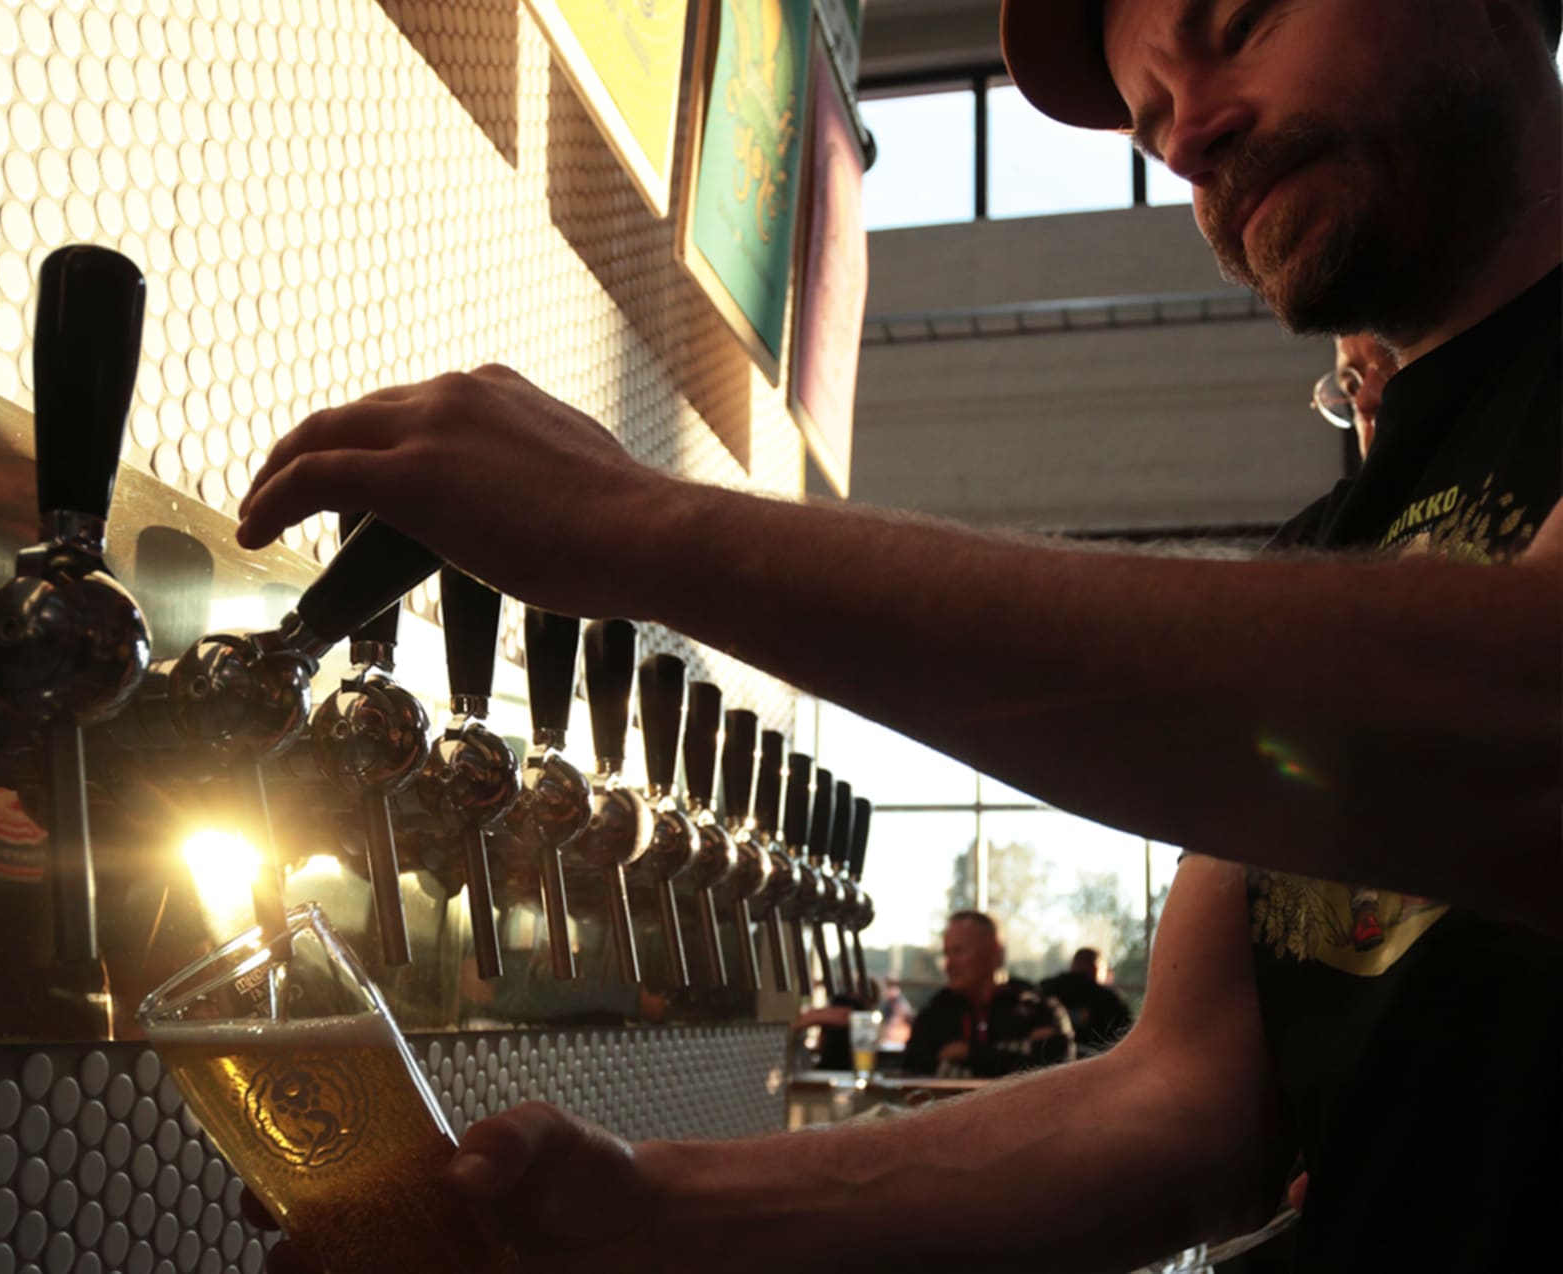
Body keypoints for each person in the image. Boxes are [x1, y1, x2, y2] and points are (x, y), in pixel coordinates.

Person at [239, 0, 1561, 1267]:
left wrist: (640, 528)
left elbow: (1518, 725)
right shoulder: (1338, 549)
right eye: (1154, 116)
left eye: (1241, 22)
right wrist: (647, 1217)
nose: (1190, 134)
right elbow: (1178, 1108)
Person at [902, 912, 1074, 1077]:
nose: (948, 965)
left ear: (994, 952)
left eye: (959, 951)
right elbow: (913, 1066)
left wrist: (969, 1052)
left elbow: (1054, 1073)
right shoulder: (936, 1012)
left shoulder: (1037, 1008)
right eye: (947, 953)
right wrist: (1007, 1058)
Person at [1039, 947, 1135, 1055]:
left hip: (1047, 1063)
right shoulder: (1111, 1001)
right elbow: (1127, 1043)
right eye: (1105, 969)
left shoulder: (1044, 990)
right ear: (1096, 968)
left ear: (1072, 966)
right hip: (1096, 1066)